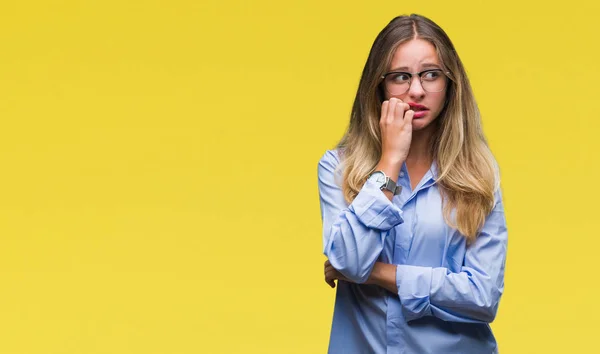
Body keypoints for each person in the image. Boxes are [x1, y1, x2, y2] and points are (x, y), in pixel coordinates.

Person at [317, 14, 508, 353]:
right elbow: (348, 259)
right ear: (378, 85)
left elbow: (482, 297)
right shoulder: (338, 168)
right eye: (400, 77)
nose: (416, 90)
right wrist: (389, 161)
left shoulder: (479, 173)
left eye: (431, 75)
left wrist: (376, 273)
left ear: (450, 84)